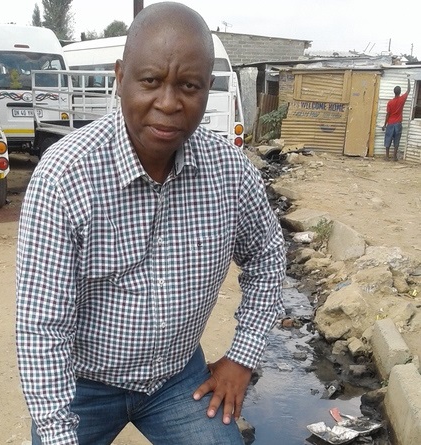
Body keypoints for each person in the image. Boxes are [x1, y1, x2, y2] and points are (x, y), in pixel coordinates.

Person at [16, 2, 286, 444]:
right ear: (120, 77)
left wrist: (243, 357)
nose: (168, 103)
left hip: (177, 379)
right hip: (83, 384)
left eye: (189, 86)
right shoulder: (65, 176)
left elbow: (268, 257)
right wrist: (55, 431)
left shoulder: (231, 173)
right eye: (150, 81)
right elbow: (42, 326)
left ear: (207, 88)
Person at [382, 77, 411, 161]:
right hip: (398, 123)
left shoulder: (390, 102)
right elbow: (408, 90)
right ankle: (394, 157)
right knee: (397, 140)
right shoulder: (402, 99)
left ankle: (387, 156)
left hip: (390, 123)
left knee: (388, 139)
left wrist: (384, 124)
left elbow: (388, 114)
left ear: (394, 92)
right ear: (400, 92)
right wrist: (408, 79)